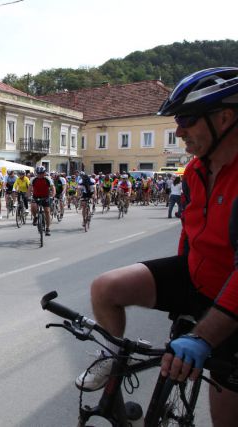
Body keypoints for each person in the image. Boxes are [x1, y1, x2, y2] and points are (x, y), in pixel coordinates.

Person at [75, 67, 238, 426]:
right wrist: (184, 298)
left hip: (234, 298)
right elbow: (189, 233)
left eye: (187, 120)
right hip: (198, 277)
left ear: (225, 118)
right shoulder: (195, 172)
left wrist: (203, 336)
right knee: (105, 288)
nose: (178, 131)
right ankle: (113, 355)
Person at [29, 166, 55, 236]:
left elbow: (53, 188)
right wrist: (28, 196)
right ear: (36, 173)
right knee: (33, 207)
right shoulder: (33, 179)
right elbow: (29, 188)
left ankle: (48, 228)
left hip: (45, 196)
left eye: (42, 173)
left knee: (47, 211)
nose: (40, 175)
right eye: (38, 173)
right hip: (36, 196)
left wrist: (52, 196)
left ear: (44, 173)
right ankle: (35, 217)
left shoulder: (48, 179)